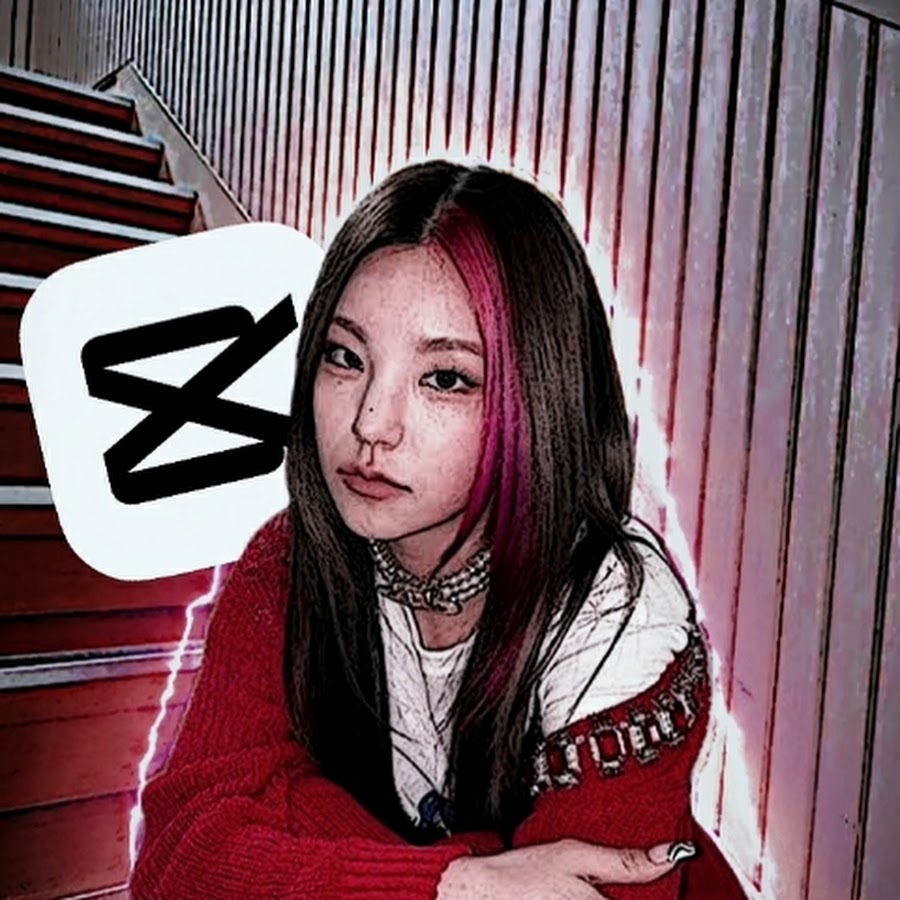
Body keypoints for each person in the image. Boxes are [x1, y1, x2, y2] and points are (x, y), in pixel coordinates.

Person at [130, 161, 746, 898]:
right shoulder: (290, 560)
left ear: (538, 396)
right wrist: (457, 879)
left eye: (446, 378)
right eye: (345, 357)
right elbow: (175, 863)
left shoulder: (614, 612)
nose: (371, 423)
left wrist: (296, 819)